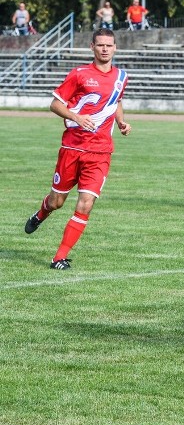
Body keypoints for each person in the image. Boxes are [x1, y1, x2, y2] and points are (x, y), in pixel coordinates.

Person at [23, 28, 131, 270]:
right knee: (56, 202)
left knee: (85, 203)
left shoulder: (122, 77)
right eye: (100, 45)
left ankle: (58, 257)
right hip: (72, 148)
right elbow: (55, 104)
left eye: (109, 45)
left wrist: (121, 122)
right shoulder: (79, 74)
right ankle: (40, 214)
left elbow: (117, 101)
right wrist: (76, 117)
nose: (105, 49)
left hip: (101, 152)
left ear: (115, 48)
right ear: (92, 47)